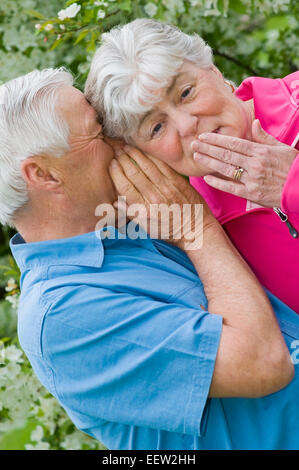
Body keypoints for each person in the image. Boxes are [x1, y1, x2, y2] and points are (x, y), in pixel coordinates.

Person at [1, 67, 297, 451]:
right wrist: (198, 230)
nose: (121, 140)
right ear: (45, 175)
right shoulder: (62, 315)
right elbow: (261, 363)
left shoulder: (134, 223)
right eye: (98, 131)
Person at [85, 18, 299, 314]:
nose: (187, 125)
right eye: (156, 127)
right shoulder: (196, 230)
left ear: (213, 69)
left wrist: (292, 185)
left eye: (186, 92)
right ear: (145, 154)